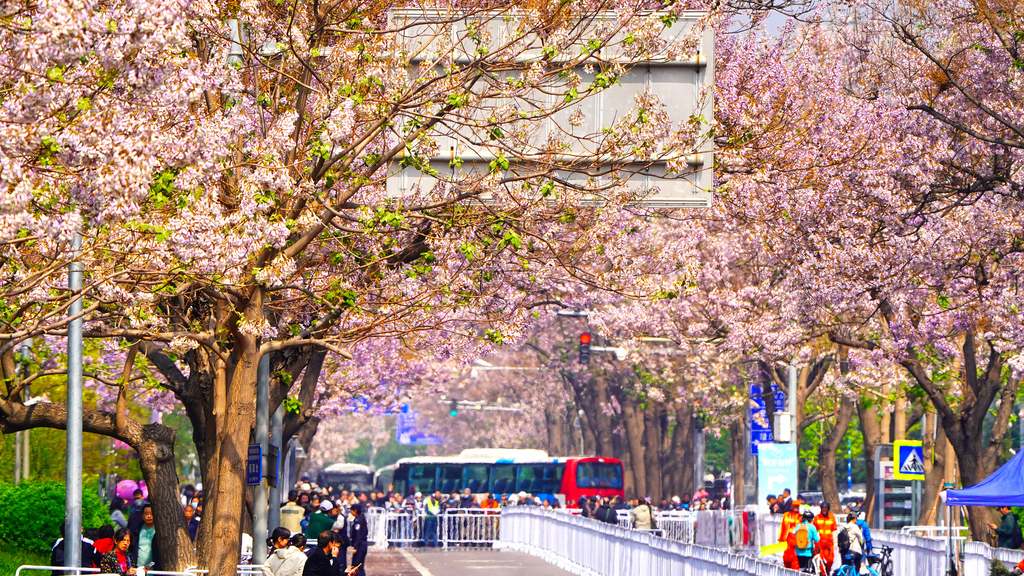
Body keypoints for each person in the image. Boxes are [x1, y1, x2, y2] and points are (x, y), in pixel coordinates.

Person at [129, 503, 160, 570]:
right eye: (146, 513)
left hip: (154, 571)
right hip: (138, 569)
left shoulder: (160, 531)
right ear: (142, 516)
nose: (149, 516)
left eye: (151, 514)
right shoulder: (136, 531)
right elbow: (131, 550)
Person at [813, 502, 838, 574]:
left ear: (828, 509)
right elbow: (814, 531)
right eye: (823, 509)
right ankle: (823, 574)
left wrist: (835, 542)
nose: (824, 510)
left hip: (829, 544)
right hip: (819, 543)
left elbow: (834, 530)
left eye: (825, 509)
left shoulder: (831, 517)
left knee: (830, 560)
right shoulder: (817, 517)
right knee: (820, 561)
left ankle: (828, 571)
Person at [779, 497, 803, 570]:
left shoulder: (801, 517)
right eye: (795, 506)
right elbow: (783, 527)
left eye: (797, 506)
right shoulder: (786, 515)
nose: (796, 508)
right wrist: (781, 538)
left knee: (796, 561)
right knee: (786, 559)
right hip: (788, 540)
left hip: (797, 541)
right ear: (792, 507)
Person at [349, 503, 368, 576]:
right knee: (359, 565)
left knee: (357, 566)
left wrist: (355, 547)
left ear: (355, 511)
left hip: (360, 545)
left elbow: (358, 535)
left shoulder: (358, 520)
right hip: (362, 544)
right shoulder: (360, 518)